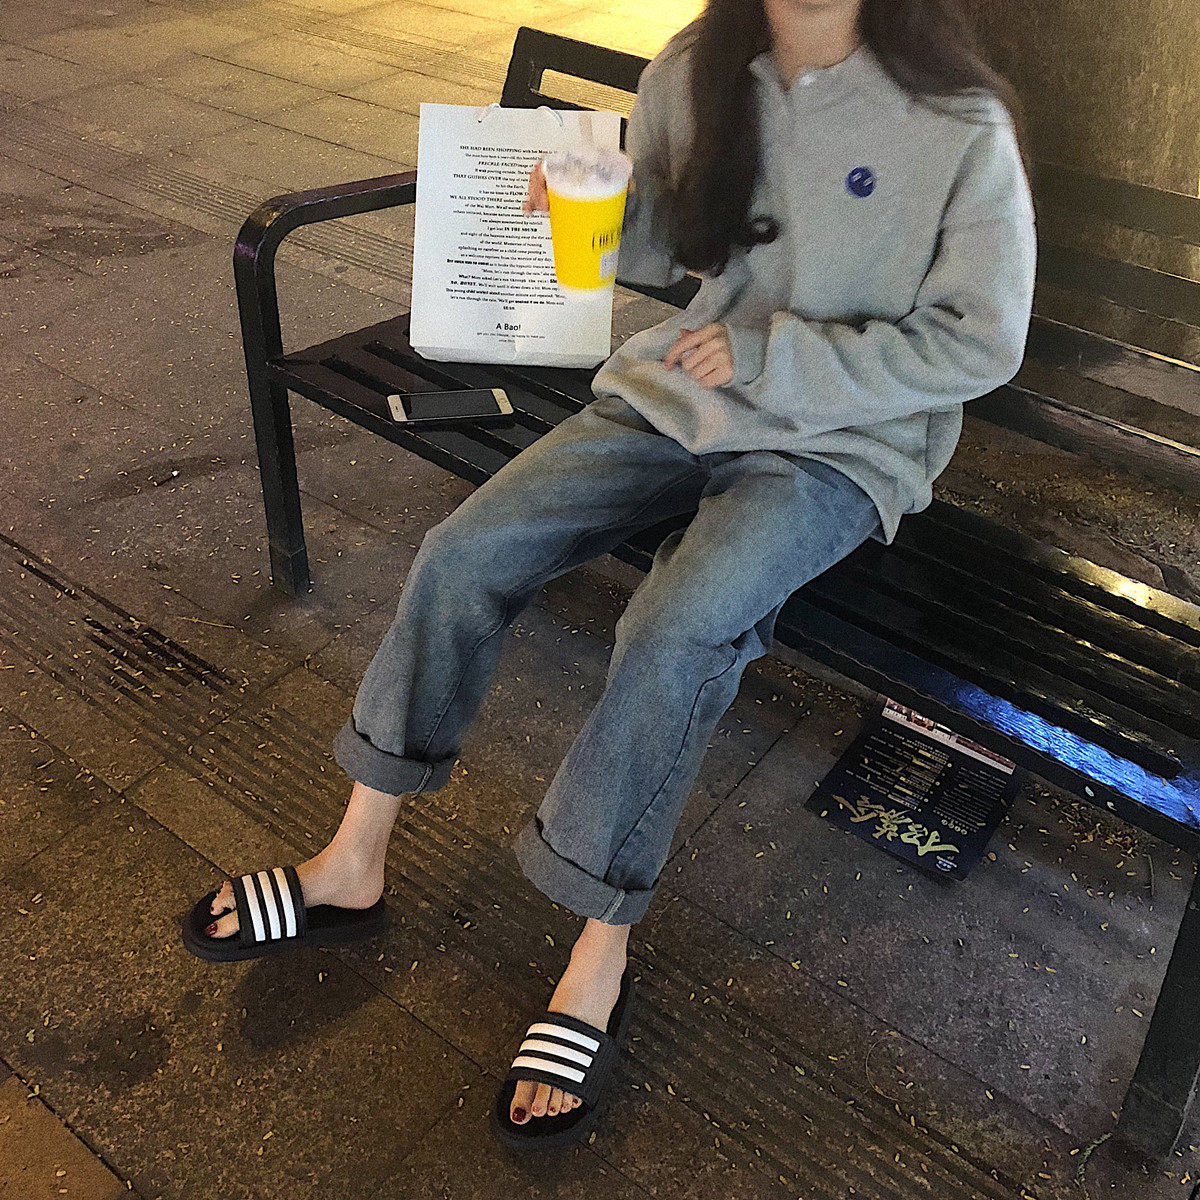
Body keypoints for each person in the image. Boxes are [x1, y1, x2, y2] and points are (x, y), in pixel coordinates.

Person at [183, 0, 1036, 1152]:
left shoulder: (958, 117)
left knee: (675, 627)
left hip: (842, 443)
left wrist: (775, 355)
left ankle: (599, 947)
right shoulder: (698, 67)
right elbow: (667, 248)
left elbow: (981, 340)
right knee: (463, 551)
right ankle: (353, 860)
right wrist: (581, 213)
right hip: (680, 394)